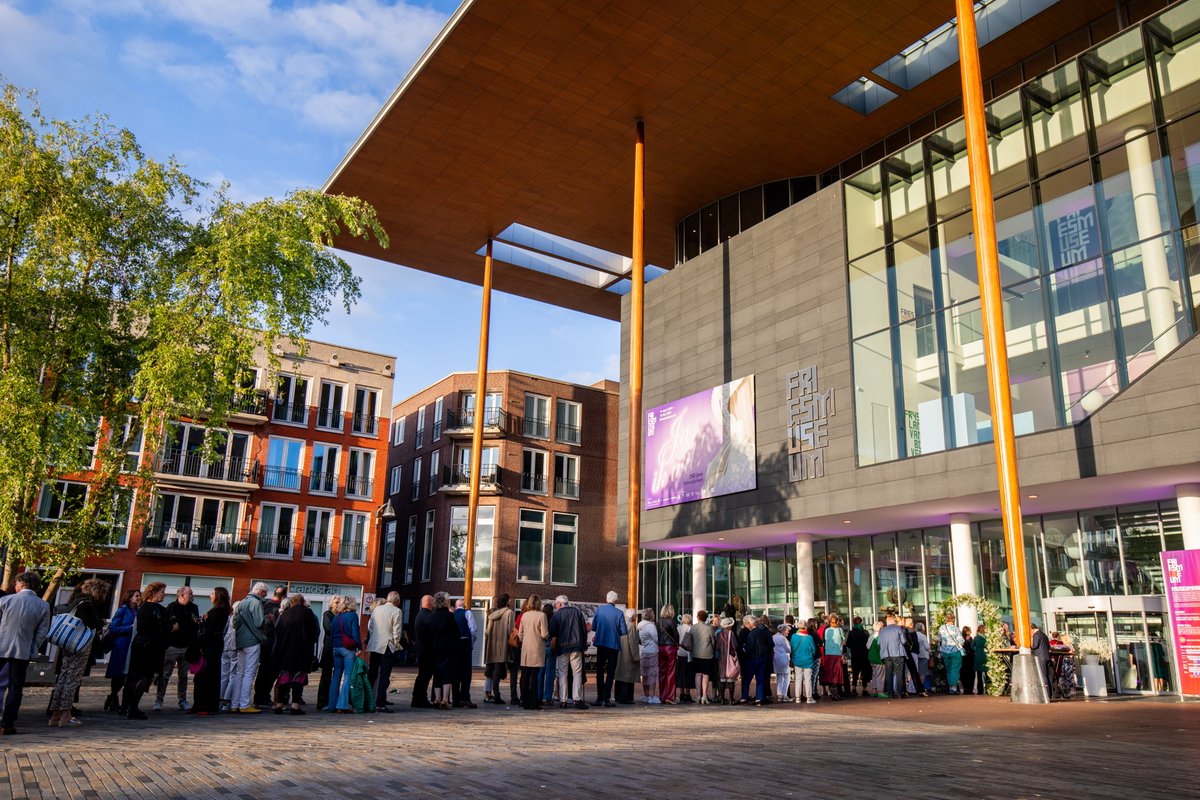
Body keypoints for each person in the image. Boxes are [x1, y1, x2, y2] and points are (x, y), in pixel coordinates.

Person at [48, 578, 107, 727]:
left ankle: (55, 714)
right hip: (80, 645)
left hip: (67, 644)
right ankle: (66, 714)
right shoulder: (87, 604)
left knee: (63, 676)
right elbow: (94, 623)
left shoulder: (75, 601)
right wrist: (102, 622)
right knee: (73, 678)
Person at [0, 572, 51, 735]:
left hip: (1, 645)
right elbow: (42, 632)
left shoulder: (5, 600)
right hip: (22, 649)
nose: (14, 586)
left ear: (21, 583)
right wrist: (33, 647)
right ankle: (7, 724)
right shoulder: (43, 605)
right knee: (16, 687)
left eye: (16, 583)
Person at [124, 582, 171, 720]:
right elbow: (165, 628)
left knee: (135, 676)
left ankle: (128, 706)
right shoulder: (158, 609)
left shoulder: (142, 607)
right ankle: (133, 707)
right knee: (144, 676)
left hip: (140, 643)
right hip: (151, 646)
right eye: (162, 591)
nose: (164, 594)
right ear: (154, 592)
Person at [272, 593, 319, 715]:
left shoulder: (285, 614)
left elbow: (278, 632)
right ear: (302, 602)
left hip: (286, 651)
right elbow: (314, 633)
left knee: (284, 678)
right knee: (299, 678)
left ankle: (279, 704)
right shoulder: (308, 614)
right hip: (302, 651)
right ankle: (295, 705)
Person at [156, 586, 200, 711]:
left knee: (183, 675)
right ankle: (159, 699)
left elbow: (196, 625)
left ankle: (182, 699)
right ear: (181, 595)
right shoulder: (170, 608)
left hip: (187, 646)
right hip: (172, 646)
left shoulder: (193, 608)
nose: (192, 595)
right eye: (190, 593)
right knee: (165, 675)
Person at [190, 586, 231, 715]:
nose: (210, 595)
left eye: (213, 593)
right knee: (202, 675)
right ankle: (199, 704)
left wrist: (202, 625)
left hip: (211, 645)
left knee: (208, 674)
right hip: (210, 643)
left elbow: (211, 629)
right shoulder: (216, 610)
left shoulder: (219, 611)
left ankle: (206, 705)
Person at [231, 582, 270, 713]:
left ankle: (234, 704)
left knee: (239, 673)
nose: (265, 596)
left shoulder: (242, 602)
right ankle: (244, 704)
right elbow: (259, 622)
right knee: (249, 673)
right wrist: (268, 619)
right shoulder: (256, 603)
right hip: (252, 640)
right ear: (260, 592)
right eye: (265, 593)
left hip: (240, 640)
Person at [548, 594, 589, 709]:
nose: (556, 606)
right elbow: (583, 630)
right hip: (576, 647)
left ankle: (563, 700)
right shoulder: (577, 612)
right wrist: (583, 644)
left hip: (562, 647)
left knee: (562, 673)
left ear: (560, 604)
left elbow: (552, 632)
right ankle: (576, 698)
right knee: (577, 673)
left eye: (556, 604)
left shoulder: (557, 615)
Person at [104, 587, 140, 712]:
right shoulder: (122, 610)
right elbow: (114, 628)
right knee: (118, 673)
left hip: (133, 644)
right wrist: (129, 628)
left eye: (139, 595)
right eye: (136, 595)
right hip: (121, 644)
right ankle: (113, 696)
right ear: (130, 597)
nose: (138, 597)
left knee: (129, 673)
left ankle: (120, 699)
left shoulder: (138, 611)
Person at [366, 591, 403, 712]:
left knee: (372, 673)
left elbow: (371, 627)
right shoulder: (397, 611)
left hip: (375, 644)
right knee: (384, 675)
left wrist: (374, 638)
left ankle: (367, 699)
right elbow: (396, 631)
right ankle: (380, 703)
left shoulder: (377, 609)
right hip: (387, 645)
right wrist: (396, 644)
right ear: (397, 600)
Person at [590, 590, 626, 708]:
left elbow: (594, 627)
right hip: (613, 645)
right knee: (611, 672)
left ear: (606, 599)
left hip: (601, 643)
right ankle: (607, 698)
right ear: (615, 600)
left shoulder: (599, 610)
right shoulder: (619, 613)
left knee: (599, 671)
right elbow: (624, 631)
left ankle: (599, 698)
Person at [326, 595, 361, 713]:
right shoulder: (353, 616)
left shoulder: (337, 617)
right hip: (347, 649)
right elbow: (355, 633)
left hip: (336, 648)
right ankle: (342, 705)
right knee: (347, 676)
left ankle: (331, 704)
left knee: (336, 676)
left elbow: (331, 633)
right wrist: (359, 647)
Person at [251, 586, 285, 707]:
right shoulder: (274, 607)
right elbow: (275, 626)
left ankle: (261, 697)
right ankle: (262, 697)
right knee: (269, 672)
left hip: (265, 642)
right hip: (270, 643)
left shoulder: (264, 605)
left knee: (264, 671)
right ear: (283, 597)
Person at [517, 594, 548, 710]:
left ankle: (524, 701)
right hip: (537, 648)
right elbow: (544, 634)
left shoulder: (524, 616)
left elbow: (520, 634)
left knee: (525, 676)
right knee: (535, 677)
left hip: (526, 649)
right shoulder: (542, 615)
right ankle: (533, 702)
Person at [427, 593, 457, 710]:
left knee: (437, 672)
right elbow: (455, 632)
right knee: (448, 671)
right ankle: (445, 699)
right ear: (445, 602)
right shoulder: (449, 616)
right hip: (448, 646)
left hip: (435, 646)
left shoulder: (432, 615)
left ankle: (436, 698)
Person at [483, 594, 515, 705]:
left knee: (493, 669)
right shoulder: (509, 613)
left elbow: (487, 632)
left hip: (492, 644)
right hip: (503, 644)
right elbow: (510, 630)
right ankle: (497, 696)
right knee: (497, 670)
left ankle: (492, 694)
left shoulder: (492, 614)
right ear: (507, 601)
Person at [316, 595, 343, 709]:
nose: (338, 604)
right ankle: (322, 701)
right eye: (336, 602)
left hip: (339, 648)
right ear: (331, 603)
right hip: (329, 648)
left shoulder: (341, 616)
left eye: (340, 603)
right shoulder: (328, 614)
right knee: (326, 675)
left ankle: (333, 700)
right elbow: (329, 629)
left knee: (337, 675)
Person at [685, 610, 715, 704]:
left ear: (698, 617)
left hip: (696, 654)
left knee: (698, 674)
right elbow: (714, 642)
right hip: (707, 654)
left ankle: (698, 695)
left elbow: (689, 640)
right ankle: (704, 696)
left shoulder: (693, 628)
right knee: (706, 675)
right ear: (706, 618)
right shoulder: (710, 628)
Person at [411, 594, 436, 709]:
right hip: (427, 651)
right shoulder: (428, 616)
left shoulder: (420, 615)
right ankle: (420, 698)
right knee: (425, 675)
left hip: (421, 650)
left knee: (422, 674)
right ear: (430, 603)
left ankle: (417, 698)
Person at [741, 614, 772, 705]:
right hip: (762, 658)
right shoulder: (762, 632)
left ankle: (744, 697)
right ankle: (759, 698)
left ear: (751, 623)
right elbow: (769, 644)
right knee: (760, 679)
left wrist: (744, 648)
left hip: (753, 659)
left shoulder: (751, 634)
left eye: (747, 623)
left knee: (747, 679)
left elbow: (749, 647)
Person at [452, 599, 477, 708]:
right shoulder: (468, 613)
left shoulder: (452, 615)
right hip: (465, 643)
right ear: (465, 605)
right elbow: (473, 630)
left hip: (455, 644)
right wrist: (471, 644)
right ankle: (465, 697)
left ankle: (455, 699)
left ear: (456, 606)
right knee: (466, 672)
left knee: (456, 671)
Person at [877, 614, 908, 699]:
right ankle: (900, 693)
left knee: (888, 673)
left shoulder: (882, 630)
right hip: (898, 653)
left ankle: (890, 693)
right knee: (899, 673)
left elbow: (879, 643)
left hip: (886, 654)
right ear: (894, 621)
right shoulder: (899, 628)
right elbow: (904, 641)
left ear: (887, 621)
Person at [615, 607, 640, 704]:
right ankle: (626, 698)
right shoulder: (631, 626)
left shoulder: (620, 624)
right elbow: (633, 642)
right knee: (628, 676)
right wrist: (636, 656)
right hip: (628, 654)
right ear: (633, 616)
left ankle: (618, 696)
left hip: (619, 653)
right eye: (635, 615)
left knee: (619, 675)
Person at [937, 612, 966, 694]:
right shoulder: (955, 628)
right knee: (955, 670)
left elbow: (939, 640)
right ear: (953, 619)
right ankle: (953, 688)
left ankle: (950, 687)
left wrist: (940, 650)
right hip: (955, 651)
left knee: (948, 670)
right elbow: (961, 641)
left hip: (945, 652)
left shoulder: (941, 628)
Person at [656, 604, 679, 705]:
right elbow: (676, 635)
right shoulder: (672, 621)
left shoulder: (658, 622)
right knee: (671, 673)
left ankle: (662, 696)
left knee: (662, 672)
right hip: (670, 647)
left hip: (661, 647)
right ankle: (669, 697)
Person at [790, 621, 818, 704]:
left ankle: (797, 697)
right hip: (808, 660)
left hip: (797, 660)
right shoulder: (809, 637)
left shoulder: (794, 636)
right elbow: (813, 649)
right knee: (808, 679)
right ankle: (809, 698)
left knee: (798, 678)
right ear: (805, 627)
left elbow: (791, 648)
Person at [715, 616, 740, 705]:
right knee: (731, 679)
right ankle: (731, 699)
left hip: (721, 658)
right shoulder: (731, 633)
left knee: (722, 679)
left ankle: (722, 698)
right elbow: (735, 645)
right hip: (729, 657)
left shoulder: (719, 634)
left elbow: (717, 646)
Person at [637, 608, 660, 704]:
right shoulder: (650, 626)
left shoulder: (640, 625)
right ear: (650, 615)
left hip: (644, 651)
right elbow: (656, 639)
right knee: (652, 675)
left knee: (645, 675)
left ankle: (646, 695)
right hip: (652, 651)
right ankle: (652, 696)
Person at [821, 613, 845, 700]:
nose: (833, 624)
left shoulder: (827, 630)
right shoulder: (839, 630)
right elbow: (844, 641)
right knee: (835, 672)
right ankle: (834, 692)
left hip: (830, 653)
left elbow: (825, 641)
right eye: (832, 622)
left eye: (834, 622)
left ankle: (833, 692)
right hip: (835, 653)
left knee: (832, 672)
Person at [845, 616, 870, 697]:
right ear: (861, 622)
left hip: (855, 654)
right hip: (864, 654)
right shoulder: (865, 632)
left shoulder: (851, 632)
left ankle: (854, 688)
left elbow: (848, 644)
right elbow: (868, 643)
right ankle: (864, 689)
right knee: (864, 672)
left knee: (855, 672)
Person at [902, 617, 925, 696]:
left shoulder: (903, 630)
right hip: (913, 653)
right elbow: (914, 643)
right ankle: (912, 688)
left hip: (904, 653)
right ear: (911, 624)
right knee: (914, 671)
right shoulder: (912, 632)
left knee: (904, 672)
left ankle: (902, 688)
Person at [676, 613, 694, 703]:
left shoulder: (678, 628)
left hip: (679, 653)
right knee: (688, 674)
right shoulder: (691, 629)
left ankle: (681, 693)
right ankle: (687, 694)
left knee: (680, 674)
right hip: (688, 654)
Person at [1030, 622, 1052, 694]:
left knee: (1042, 675)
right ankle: (1050, 692)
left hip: (1040, 657)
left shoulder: (1036, 635)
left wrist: (1029, 645)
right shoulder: (1044, 634)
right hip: (1046, 656)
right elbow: (1049, 646)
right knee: (1047, 675)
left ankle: (1045, 693)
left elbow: (1035, 646)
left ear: (1031, 628)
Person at [866, 619, 886, 697]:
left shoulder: (871, 637)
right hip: (878, 659)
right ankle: (880, 691)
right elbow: (880, 649)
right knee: (880, 676)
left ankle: (874, 690)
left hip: (871, 658)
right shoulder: (879, 638)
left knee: (874, 675)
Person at [772, 623, 791, 700]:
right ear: (783, 631)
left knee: (779, 676)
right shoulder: (783, 639)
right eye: (787, 630)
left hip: (776, 658)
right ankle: (784, 695)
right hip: (784, 658)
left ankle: (779, 694)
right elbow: (788, 649)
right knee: (786, 677)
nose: (788, 632)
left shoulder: (774, 637)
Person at [914, 621, 931, 694]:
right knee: (922, 673)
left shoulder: (914, 635)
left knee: (917, 672)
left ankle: (916, 687)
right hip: (923, 655)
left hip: (916, 655)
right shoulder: (923, 636)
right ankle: (922, 687)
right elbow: (927, 647)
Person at [973, 623, 989, 695]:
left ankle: (980, 691)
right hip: (985, 656)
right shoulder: (986, 638)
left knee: (979, 675)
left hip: (978, 656)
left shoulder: (976, 638)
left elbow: (971, 647)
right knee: (987, 673)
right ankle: (988, 689)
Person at [960, 625, 975, 694]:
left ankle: (967, 689)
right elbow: (972, 648)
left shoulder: (962, 638)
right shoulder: (968, 639)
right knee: (970, 674)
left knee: (964, 673)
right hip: (969, 657)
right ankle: (969, 689)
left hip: (964, 657)